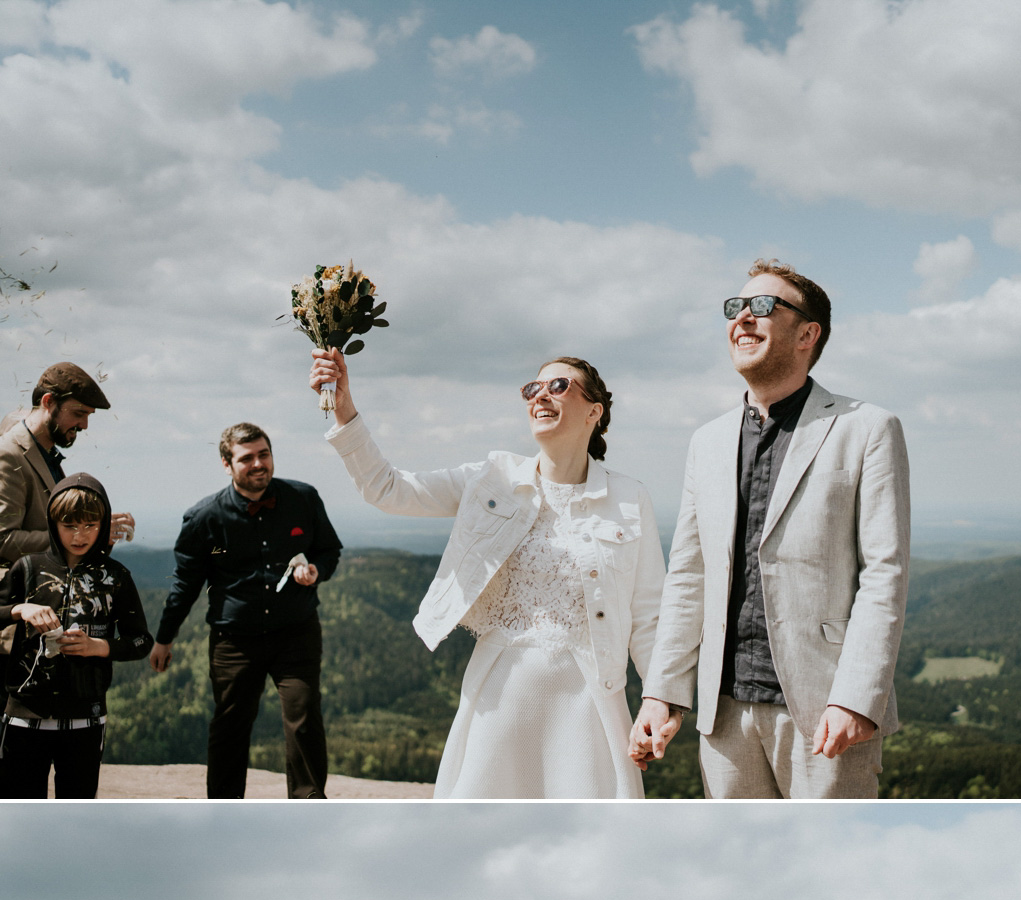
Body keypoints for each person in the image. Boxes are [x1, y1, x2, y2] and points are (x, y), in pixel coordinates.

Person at [310, 347, 664, 798]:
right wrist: (343, 409)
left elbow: (650, 613)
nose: (541, 396)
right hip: (499, 697)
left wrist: (657, 699)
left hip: (591, 703)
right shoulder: (491, 477)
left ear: (595, 411)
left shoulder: (631, 498)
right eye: (532, 388)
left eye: (559, 386)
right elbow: (388, 489)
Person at [629, 257, 910, 799]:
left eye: (763, 306)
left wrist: (855, 697)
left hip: (825, 707)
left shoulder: (868, 427)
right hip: (723, 712)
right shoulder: (706, 441)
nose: (743, 319)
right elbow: (689, 575)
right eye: (735, 308)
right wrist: (662, 692)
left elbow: (885, 574)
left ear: (808, 333)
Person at [149, 423, 342, 798]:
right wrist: (164, 638)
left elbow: (328, 549)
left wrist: (317, 571)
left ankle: (309, 804)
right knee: (230, 725)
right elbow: (186, 584)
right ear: (226, 464)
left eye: (264, 454)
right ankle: (223, 806)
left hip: (296, 633)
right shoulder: (204, 517)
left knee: (304, 719)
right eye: (247, 457)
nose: (258, 464)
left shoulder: (303, 498)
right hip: (234, 640)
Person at [0, 475, 152, 798]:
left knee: (77, 811)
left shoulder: (115, 578)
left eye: (90, 525)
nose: (79, 536)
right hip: (23, 719)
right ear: (52, 523)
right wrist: (20, 610)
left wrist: (99, 647)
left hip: (86, 720)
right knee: (20, 815)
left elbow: (141, 641)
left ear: (104, 523)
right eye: (69, 525)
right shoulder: (28, 568)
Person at [0, 364, 134, 572]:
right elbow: (4, 540)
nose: (84, 425)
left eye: (89, 415)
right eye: (78, 413)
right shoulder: (8, 454)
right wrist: (89, 535)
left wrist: (99, 528)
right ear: (48, 402)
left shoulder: (45, 451)